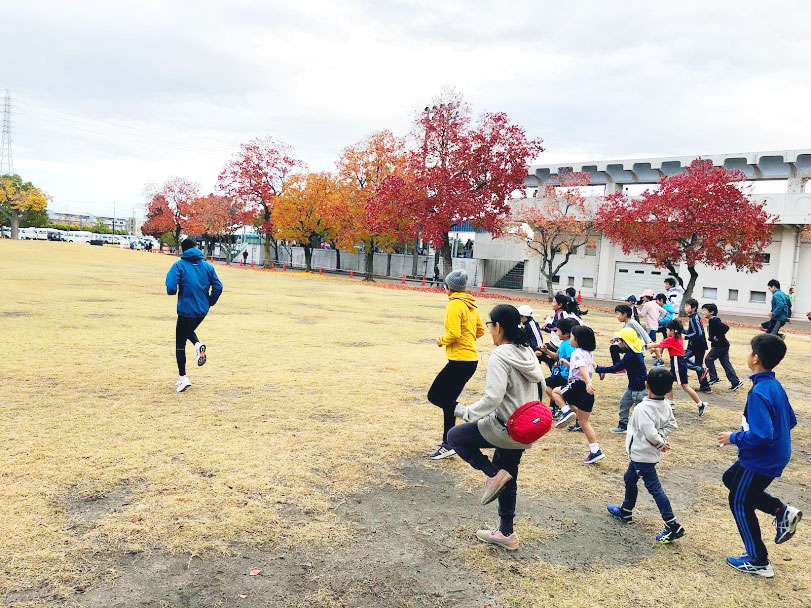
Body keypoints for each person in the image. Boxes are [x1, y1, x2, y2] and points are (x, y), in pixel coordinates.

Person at [448, 304, 545, 551]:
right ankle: (506, 532)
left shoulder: (500, 356)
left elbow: (493, 398)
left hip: (506, 427)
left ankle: (493, 474)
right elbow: (541, 386)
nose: (489, 331)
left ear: (499, 327)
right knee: (509, 473)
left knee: (456, 437)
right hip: (527, 426)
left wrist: (465, 412)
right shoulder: (528, 352)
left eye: (490, 326)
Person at [718, 334, 802, 577]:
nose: (747, 354)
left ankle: (758, 560)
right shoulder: (772, 385)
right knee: (731, 479)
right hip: (774, 454)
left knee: (739, 501)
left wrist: (733, 437)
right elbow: (791, 421)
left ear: (756, 358)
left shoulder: (759, 392)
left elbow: (762, 436)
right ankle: (781, 510)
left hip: (761, 459)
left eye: (749, 350)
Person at [607, 367, 684, 544]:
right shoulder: (665, 405)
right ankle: (626, 510)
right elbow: (672, 425)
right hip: (641, 454)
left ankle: (673, 525)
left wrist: (660, 442)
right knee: (629, 478)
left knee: (655, 489)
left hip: (643, 456)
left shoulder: (642, 408)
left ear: (646, 385)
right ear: (669, 389)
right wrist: (661, 437)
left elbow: (650, 434)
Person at [427, 269, 485, 460]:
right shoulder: (471, 305)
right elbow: (480, 331)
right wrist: (468, 340)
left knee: (435, 396)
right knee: (447, 402)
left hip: (460, 360)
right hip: (470, 360)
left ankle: (468, 414)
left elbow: (453, 334)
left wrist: (441, 340)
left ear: (449, 287)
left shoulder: (454, 306)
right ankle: (448, 443)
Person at [165, 238, 223, 393]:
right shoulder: (208, 267)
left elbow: (170, 287)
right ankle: (197, 345)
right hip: (202, 310)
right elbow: (218, 286)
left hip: (186, 309)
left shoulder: (179, 265)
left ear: (183, 250)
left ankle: (183, 378)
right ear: (196, 248)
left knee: (180, 342)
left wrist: (172, 290)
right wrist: (210, 301)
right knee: (187, 330)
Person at [552, 325, 604, 463]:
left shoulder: (577, 353)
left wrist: (587, 382)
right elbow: (584, 367)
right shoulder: (588, 353)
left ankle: (566, 411)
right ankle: (595, 450)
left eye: (572, 337)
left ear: (578, 340)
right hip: (587, 391)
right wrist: (568, 364)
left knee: (555, 392)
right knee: (584, 422)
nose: (570, 339)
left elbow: (581, 368)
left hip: (579, 385)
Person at [647, 319, 708, 416]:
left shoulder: (672, 339)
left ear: (672, 331)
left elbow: (658, 344)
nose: (666, 332)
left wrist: (648, 345)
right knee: (668, 383)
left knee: (685, 386)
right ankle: (671, 404)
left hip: (677, 364)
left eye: (667, 330)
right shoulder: (678, 338)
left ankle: (701, 404)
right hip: (678, 363)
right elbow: (662, 346)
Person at [597, 328, 648, 434]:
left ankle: (642, 430)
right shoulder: (635, 351)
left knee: (640, 410)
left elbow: (617, 367)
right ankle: (623, 425)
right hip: (633, 387)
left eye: (621, 342)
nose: (620, 344)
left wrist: (600, 369)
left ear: (626, 342)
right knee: (624, 403)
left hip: (639, 389)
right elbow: (617, 350)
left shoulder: (631, 356)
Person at [700, 303, 744, 391]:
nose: (702, 312)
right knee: (726, 364)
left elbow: (726, 328)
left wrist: (717, 337)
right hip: (722, 345)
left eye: (704, 310)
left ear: (711, 312)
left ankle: (714, 378)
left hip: (719, 346)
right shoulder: (712, 321)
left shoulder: (714, 320)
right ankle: (735, 382)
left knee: (708, 359)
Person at [543, 318, 577, 418]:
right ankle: (560, 405)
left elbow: (573, 359)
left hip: (566, 376)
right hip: (562, 374)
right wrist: (546, 351)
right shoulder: (564, 343)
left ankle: (561, 406)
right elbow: (557, 357)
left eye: (558, 330)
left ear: (566, 334)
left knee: (545, 384)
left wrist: (567, 363)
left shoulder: (568, 345)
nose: (557, 333)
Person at [683, 298, 711, 393]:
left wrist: (686, 337)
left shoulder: (694, 318)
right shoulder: (693, 317)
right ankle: (705, 387)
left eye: (687, 306)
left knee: (681, 358)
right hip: (699, 345)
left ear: (693, 308)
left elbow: (698, 333)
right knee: (697, 363)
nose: (685, 308)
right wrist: (681, 330)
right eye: (685, 306)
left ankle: (702, 370)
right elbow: (692, 331)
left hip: (696, 345)